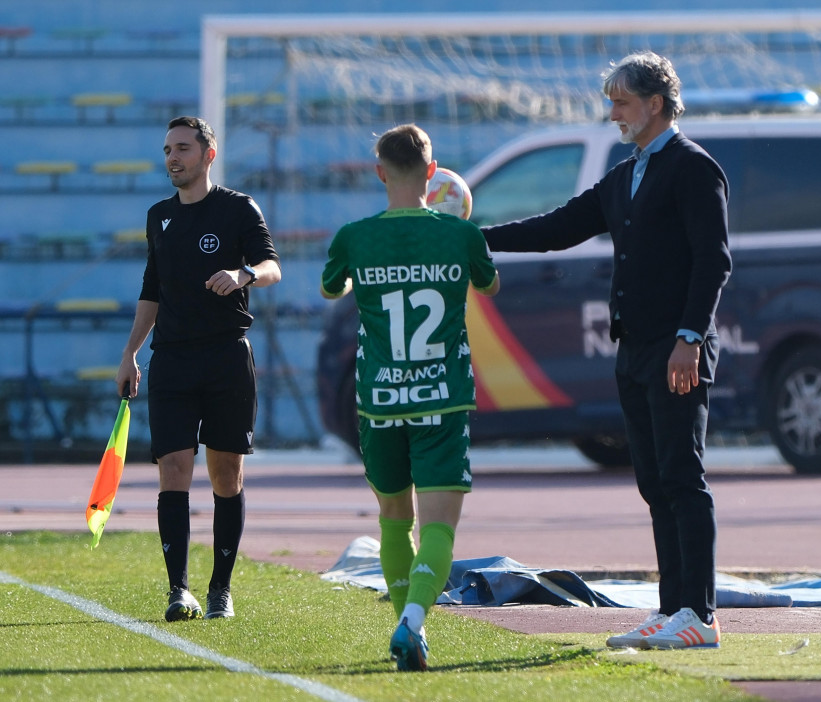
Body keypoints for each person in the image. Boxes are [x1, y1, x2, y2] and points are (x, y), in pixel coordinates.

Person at [481, 52, 731, 650]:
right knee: (653, 482)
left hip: (677, 349)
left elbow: (713, 260)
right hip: (635, 350)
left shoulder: (694, 168)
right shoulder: (627, 173)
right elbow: (560, 226)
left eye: (622, 101)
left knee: (682, 476)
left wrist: (689, 339)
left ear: (655, 103)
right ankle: (674, 610)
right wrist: (472, 236)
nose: (613, 112)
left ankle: (700, 613)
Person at [320, 123, 500, 671]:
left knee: (393, 521)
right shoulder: (460, 234)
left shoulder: (354, 235)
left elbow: (331, 288)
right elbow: (488, 285)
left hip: (379, 400)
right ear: (432, 171)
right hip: (442, 396)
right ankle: (413, 623)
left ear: (379, 172)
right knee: (439, 526)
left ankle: (407, 637)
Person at [115, 115, 282, 622]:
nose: (173, 157)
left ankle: (220, 591)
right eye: (167, 149)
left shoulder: (237, 209)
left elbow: (274, 266)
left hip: (227, 356)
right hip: (173, 361)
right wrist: (130, 353)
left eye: (183, 148)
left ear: (208, 154)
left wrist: (243, 274)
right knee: (173, 472)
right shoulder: (158, 216)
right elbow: (152, 291)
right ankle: (178, 591)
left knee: (226, 476)